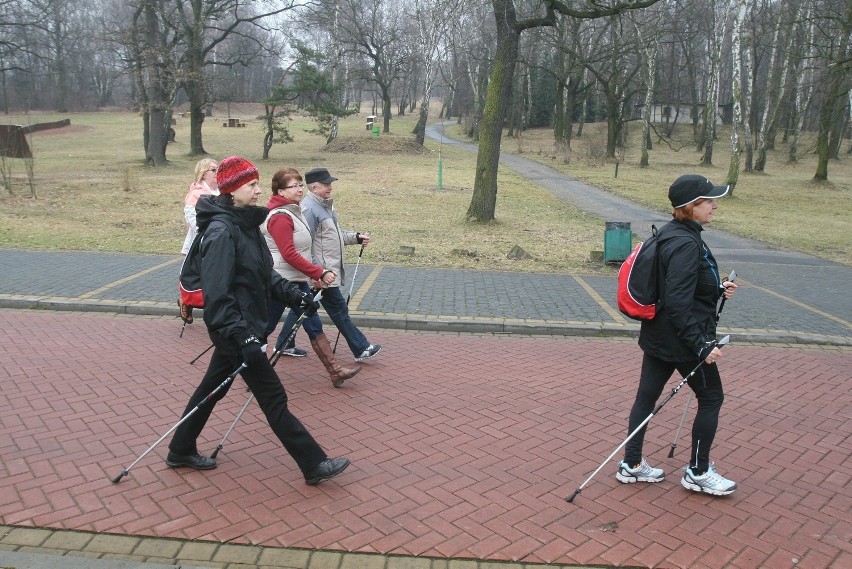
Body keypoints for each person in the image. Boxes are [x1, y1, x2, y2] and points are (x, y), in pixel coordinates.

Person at [166, 156, 350, 486]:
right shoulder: (222, 232)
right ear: (233, 190)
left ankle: (180, 448)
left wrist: (298, 297)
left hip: (242, 328)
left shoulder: (246, 225)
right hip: (237, 331)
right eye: (251, 185)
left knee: (211, 389)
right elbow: (218, 295)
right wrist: (244, 337)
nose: (258, 190)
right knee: (273, 398)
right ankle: (313, 463)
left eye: (257, 183)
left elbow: (266, 277)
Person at [616, 174, 738, 496]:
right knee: (712, 397)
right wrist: (701, 346)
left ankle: (631, 464)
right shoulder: (685, 243)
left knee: (646, 397)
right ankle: (698, 472)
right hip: (683, 340)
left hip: (658, 335)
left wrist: (717, 288)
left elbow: (679, 288)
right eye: (708, 201)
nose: (714, 205)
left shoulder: (671, 233)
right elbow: (679, 303)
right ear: (691, 207)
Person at [261, 168, 361, 387]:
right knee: (264, 328)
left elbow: (305, 250)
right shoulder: (279, 217)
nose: (299, 189)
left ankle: (335, 371)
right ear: (280, 191)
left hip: (297, 281)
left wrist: (311, 275)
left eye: (299, 184)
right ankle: (252, 371)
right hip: (279, 282)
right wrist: (319, 272)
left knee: (314, 324)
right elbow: (288, 254)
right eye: (293, 186)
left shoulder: (294, 211)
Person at [301, 167, 382, 362]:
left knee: (304, 309)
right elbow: (305, 243)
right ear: (314, 187)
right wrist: (316, 273)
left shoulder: (325, 206)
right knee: (338, 309)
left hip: (324, 272)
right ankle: (361, 348)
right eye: (326, 184)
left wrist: (355, 237)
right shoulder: (310, 209)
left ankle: (284, 344)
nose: (330, 187)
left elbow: (333, 236)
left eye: (330, 183)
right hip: (323, 274)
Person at [178, 158, 219, 325]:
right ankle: (186, 302)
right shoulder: (195, 195)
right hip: (199, 246)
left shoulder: (222, 192)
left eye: (218, 169)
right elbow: (195, 224)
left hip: (218, 244)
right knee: (195, 279)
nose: (217, 173)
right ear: (203, 174)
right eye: (213, 170)